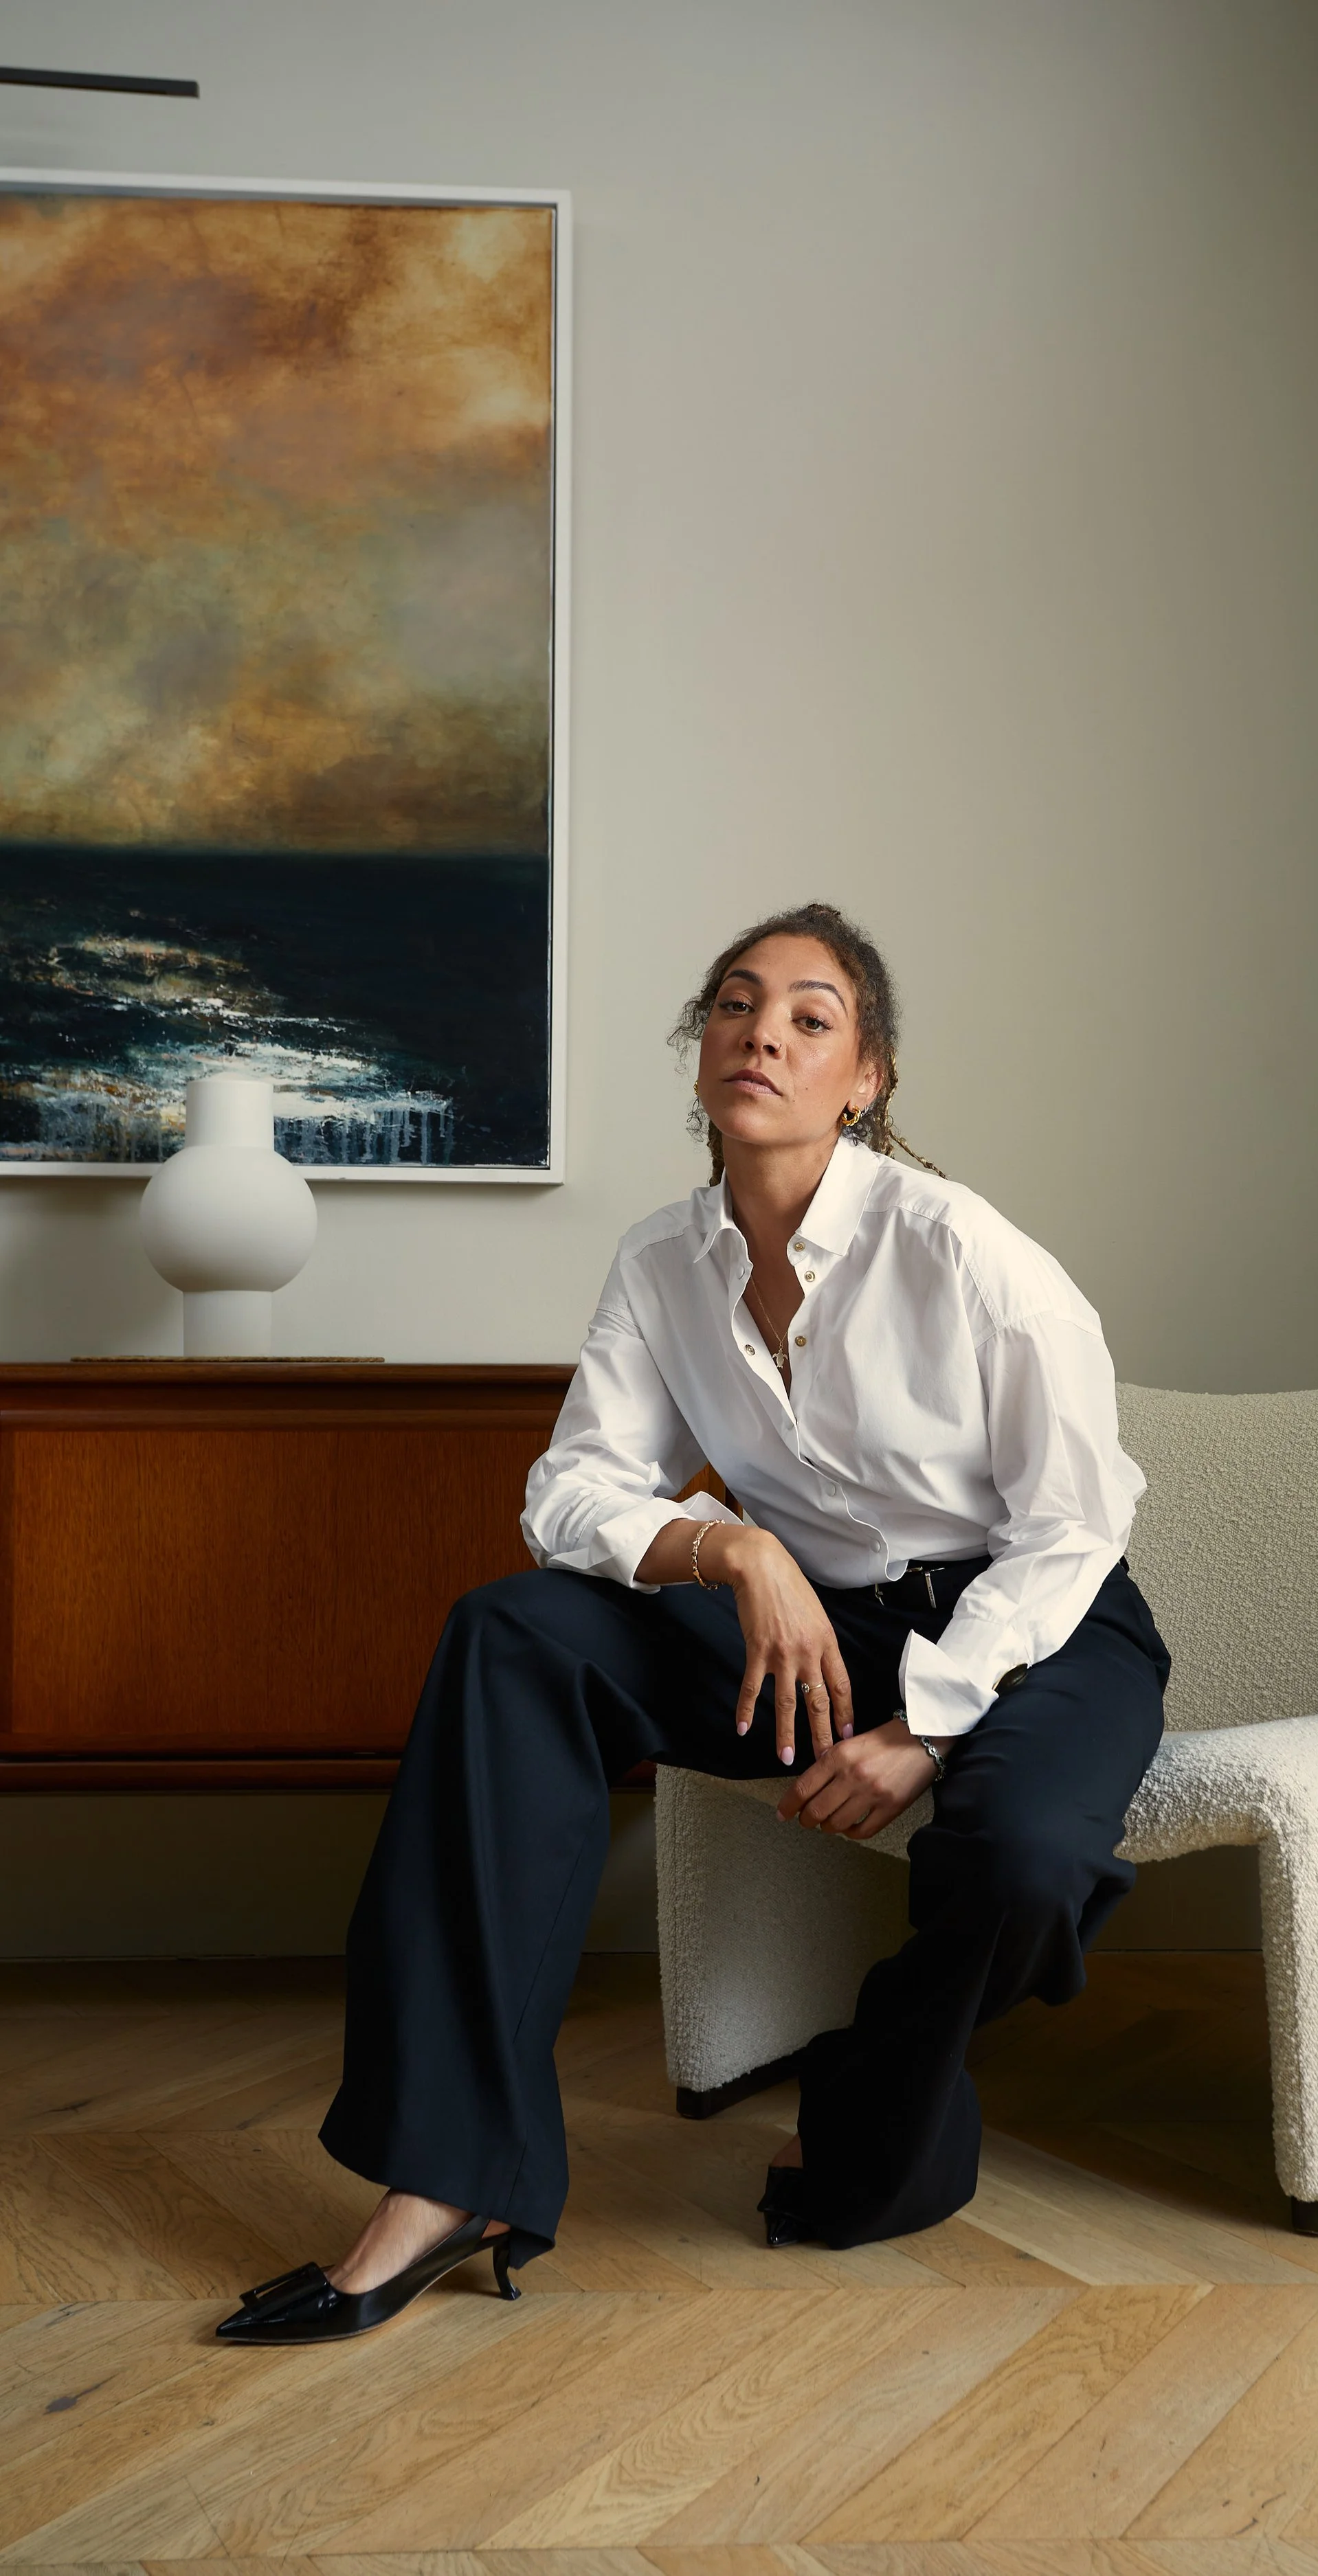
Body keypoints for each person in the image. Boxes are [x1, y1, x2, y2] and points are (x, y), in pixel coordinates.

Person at [215, 901, 1170, 2345]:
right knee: (514, 1636)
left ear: (866, 1081)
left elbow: (1073, 1528)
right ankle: (450, 2177)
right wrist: (729, 1547)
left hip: (1039, 1625)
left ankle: (862, 2096)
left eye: (807, 1018)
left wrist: (925, 1724)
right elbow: (569, 1492)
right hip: (811, 1627)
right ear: (699, 1050)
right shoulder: (663, 1264)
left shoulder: (962, 1252)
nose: (761, 1035)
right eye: (735, 1006)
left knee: (1023, 1859)